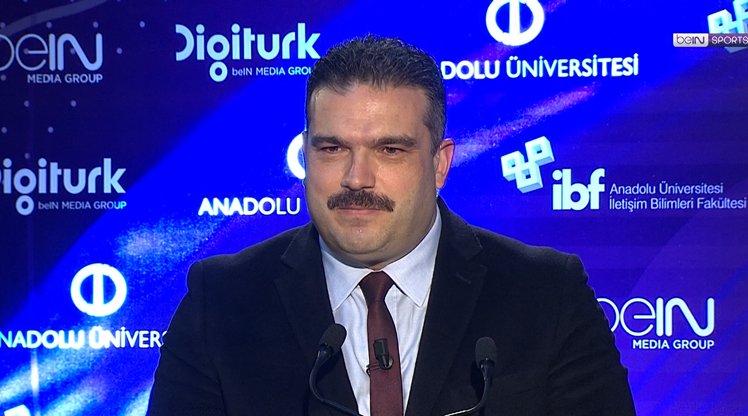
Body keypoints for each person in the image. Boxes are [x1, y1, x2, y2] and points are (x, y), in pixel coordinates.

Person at [147, 35, 636, 416]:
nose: (356, 178)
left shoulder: (545, 293)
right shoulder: (222, 301)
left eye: (390, 149)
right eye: (332, 148)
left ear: (439, 164)